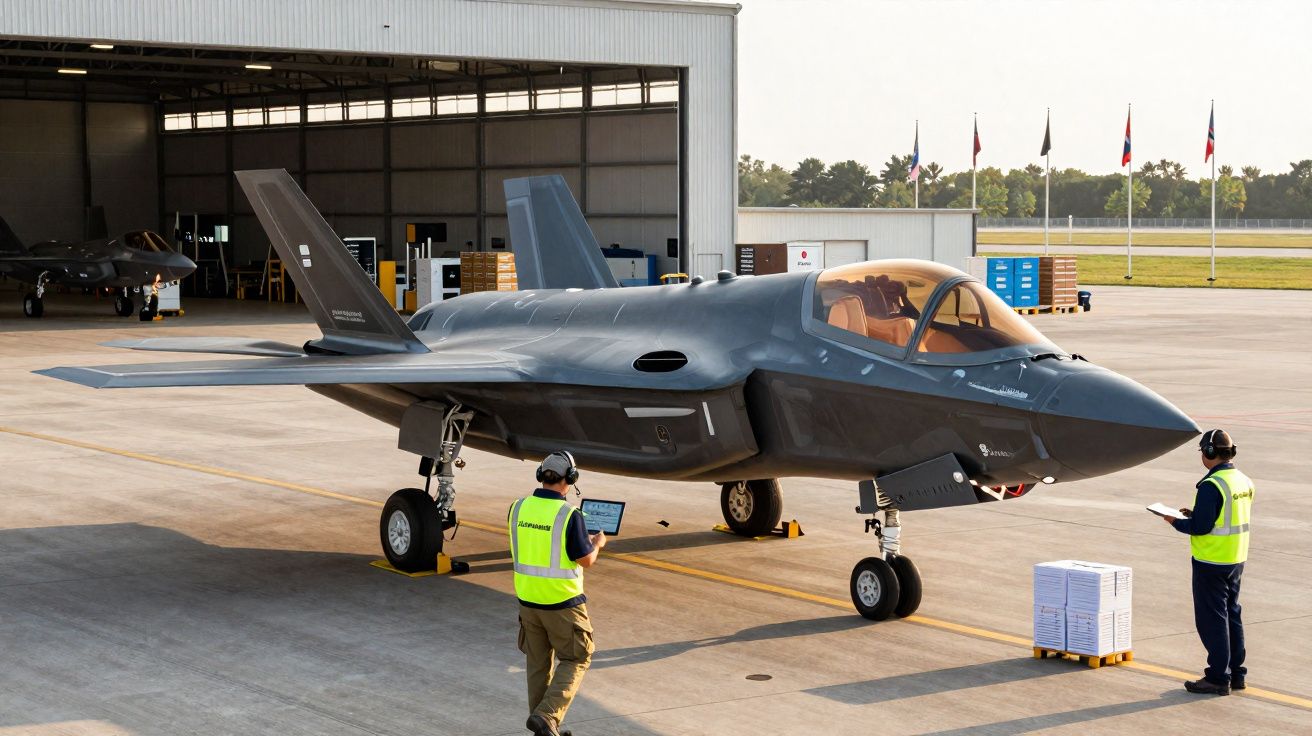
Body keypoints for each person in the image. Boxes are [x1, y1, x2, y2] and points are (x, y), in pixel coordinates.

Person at [509, 451, 606, 736]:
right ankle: (548, 716)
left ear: (541, 475)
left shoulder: (517, 508)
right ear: (571, 479)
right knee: (577, 658)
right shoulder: (569, 515)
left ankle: (543, 726)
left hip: (528, 601)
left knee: (538, 665)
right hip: (562, 603)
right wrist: (598, 543)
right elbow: (585, 559)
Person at [1162, 429, 1253, 695]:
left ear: (1209, 453)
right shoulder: (1243, 481)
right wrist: (1196, 512)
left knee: (1213, 620)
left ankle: (1217, 678)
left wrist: (1174, 521)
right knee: (1232, 615)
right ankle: (1237, 674)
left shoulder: (1211, 485)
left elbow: (1201, 527)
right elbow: (1226, 515)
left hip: (1211, 560)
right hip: (1236, 558)